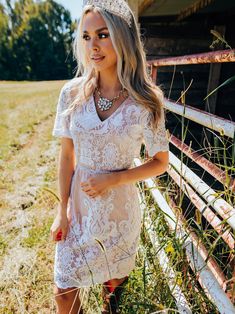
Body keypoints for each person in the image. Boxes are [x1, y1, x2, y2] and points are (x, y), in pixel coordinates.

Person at [50, 0, 169, 313]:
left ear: (122, 37)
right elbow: (66, 157)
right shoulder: (71, 94)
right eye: (87, 37)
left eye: (102, 35)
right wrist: (60, 210)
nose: (93, 46)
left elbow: (160, 162)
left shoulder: (146, 100)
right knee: (63, 290)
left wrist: (113, 179)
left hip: (119, 214)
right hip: (77, 209)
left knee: (113, 298)